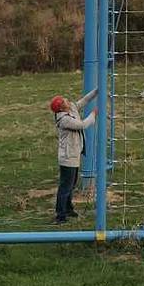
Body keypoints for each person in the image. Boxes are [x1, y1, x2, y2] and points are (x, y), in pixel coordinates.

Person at [49, 88, 97, 224]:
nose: (67, 100)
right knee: (65, 187)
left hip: (74, 155)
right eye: (64, 101)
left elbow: (85, 100)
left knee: (71, 185)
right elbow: (83, 125)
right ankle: (60, 215)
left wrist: (98, 90)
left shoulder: (71, 108)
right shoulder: (64, 120)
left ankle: (68, 208)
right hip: (67, 158)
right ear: (61, 108)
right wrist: (93, 114)